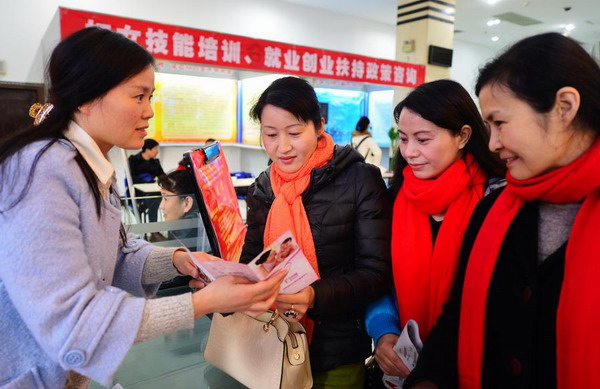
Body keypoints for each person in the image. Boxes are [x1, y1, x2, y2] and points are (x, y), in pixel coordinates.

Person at [0, 27, 285, 388]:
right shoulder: (43, 171)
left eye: (150, 97)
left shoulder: (89, 164)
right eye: (138, 96)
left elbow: (116, 252)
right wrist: (203, 303)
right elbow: (76, 322)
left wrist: (182, 260)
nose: (149, 112)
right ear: (87, 98)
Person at [404, 32, 600, 389]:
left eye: (500, 123)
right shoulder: (494, 211)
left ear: (564, 107)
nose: (492, 143)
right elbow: (460, 315)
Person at [240, 76, 392, 388]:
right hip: (271, 342)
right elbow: (253, 260)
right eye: (270, 134)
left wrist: (313, 296)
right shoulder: (263, 187)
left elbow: (377, 272)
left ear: (319, 126)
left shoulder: (360, 180)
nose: (281, 147)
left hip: (336, 351)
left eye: (294, 133)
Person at [364, 79, 506, 382]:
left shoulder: (495, 199)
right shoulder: (395, 198)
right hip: (404, 366)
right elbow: (380, 276)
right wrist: (384, 329)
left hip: (475, 362)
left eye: (423, 139)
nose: (410, 152)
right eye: (403, 139)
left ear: (463, 136)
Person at [128, 138, 164, 223]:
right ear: (148, 150)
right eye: (155, 149)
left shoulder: (155, 162)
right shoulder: (133, 160)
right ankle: (146, 229)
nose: (157, 151)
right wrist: (146, 183)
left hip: (153, 192)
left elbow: (162, 175)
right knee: (153, 200)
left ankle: (153, 229)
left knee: (154, 198)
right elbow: (131, 177)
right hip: (137, 192)